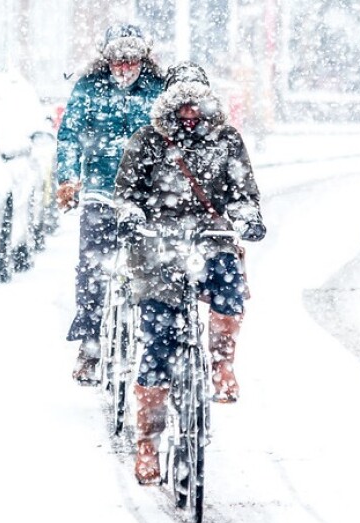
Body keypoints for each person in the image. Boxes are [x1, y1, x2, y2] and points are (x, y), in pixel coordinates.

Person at [113, 62, 266, 484]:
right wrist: (129, 216)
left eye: (196, 106)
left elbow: (242, 191)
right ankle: (147, 442)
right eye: (181, 106)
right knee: (158, 341)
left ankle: (221, 364)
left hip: (210, 237)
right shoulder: (147, 141)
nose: (189, 114)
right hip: (157, 244)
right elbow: (126, 194)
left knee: (229, 285)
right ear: (169, 106)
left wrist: (247, 217)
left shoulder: (227, 140)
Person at [55, 24, 166, 385]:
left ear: (143, 60)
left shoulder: (158, 90)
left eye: (131, 60)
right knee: (92, 269)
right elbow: (69, 134)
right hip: (100, 192)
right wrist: (68, 178)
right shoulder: (88, 88)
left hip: (146, 196)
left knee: (157, 269)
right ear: (106, 61)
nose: (124, 68)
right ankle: (89, 346)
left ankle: (158, 343)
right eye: (117, 61)